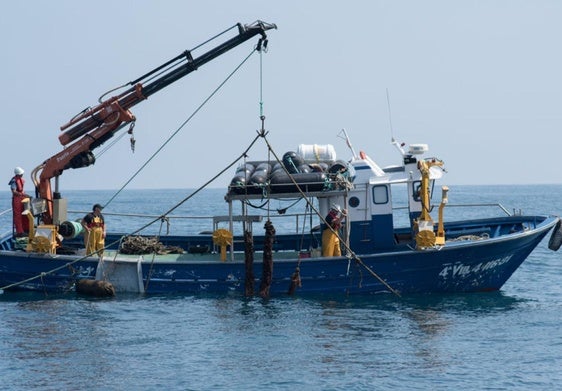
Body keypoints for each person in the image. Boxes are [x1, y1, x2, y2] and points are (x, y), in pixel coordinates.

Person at [9, 166, 30, 237]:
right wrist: (22, 194)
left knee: (25, 214)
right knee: (18, 216)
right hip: (17, 200)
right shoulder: (14, 181)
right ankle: (20, 232)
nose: (22, 175)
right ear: (17, 174)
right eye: (21, 174)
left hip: (22, 199)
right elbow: (14, 191)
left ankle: (26, 229)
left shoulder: (20, 179)